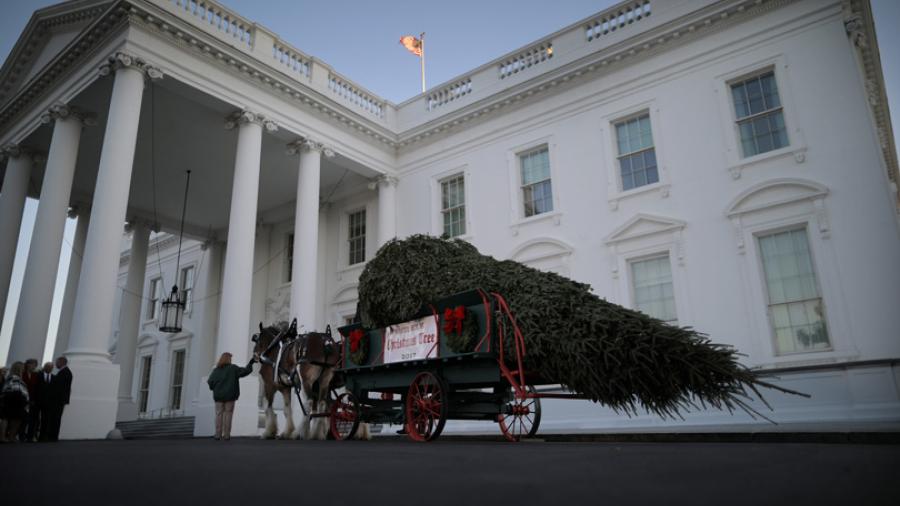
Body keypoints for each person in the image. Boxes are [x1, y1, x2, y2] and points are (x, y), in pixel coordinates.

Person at [207, 352, 256, 440]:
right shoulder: (233, 368)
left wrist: (214, 388)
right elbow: (245, 371)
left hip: (218, 396)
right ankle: (226, 435)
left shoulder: (216, 370)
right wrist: (251, 363)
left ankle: (217, 435)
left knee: (218, 414)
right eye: (230, 358)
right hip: (230, 396)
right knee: (228, 415)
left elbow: (210, 382)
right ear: (228, 359)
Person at [0, 362, 29, 443]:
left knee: (17, 418)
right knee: (6, 417)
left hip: (17, 399)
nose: (24, 369)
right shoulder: (12, 377)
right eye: (22, 368)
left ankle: (11, 437)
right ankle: (2, 437)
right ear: (19, 368)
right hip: (13, 398)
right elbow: (12, 388)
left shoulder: (16, 378)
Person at [47, 356, 73, 441]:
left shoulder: (65, 372)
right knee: (56, 418)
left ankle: (52, 436)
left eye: (57, 362)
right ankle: (52, 436)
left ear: (62, 362)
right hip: (60, 399)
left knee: (55, 418)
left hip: (58, 400)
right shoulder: (65, 372)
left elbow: (59, 387)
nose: (55, 364)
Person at [20, 359, 39, 442]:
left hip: (32, 400)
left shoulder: (36, 375)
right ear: (27, 364)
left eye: (35, 365)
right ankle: (20, 435)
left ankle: (30, 436)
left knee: (32, 419)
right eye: (32, 364)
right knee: (22, 418)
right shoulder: (22, 374)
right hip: (22, 399)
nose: (34, 366)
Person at [36, 362, 55, 442]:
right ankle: (31, 436)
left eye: (51, 367)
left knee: (46, 420)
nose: (50, 369)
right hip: (37, 401)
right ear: (45, 367)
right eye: (48, 367)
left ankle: (42, 437)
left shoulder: (54, 377)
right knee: (35, 419)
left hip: (48, 403)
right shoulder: (38, 375)